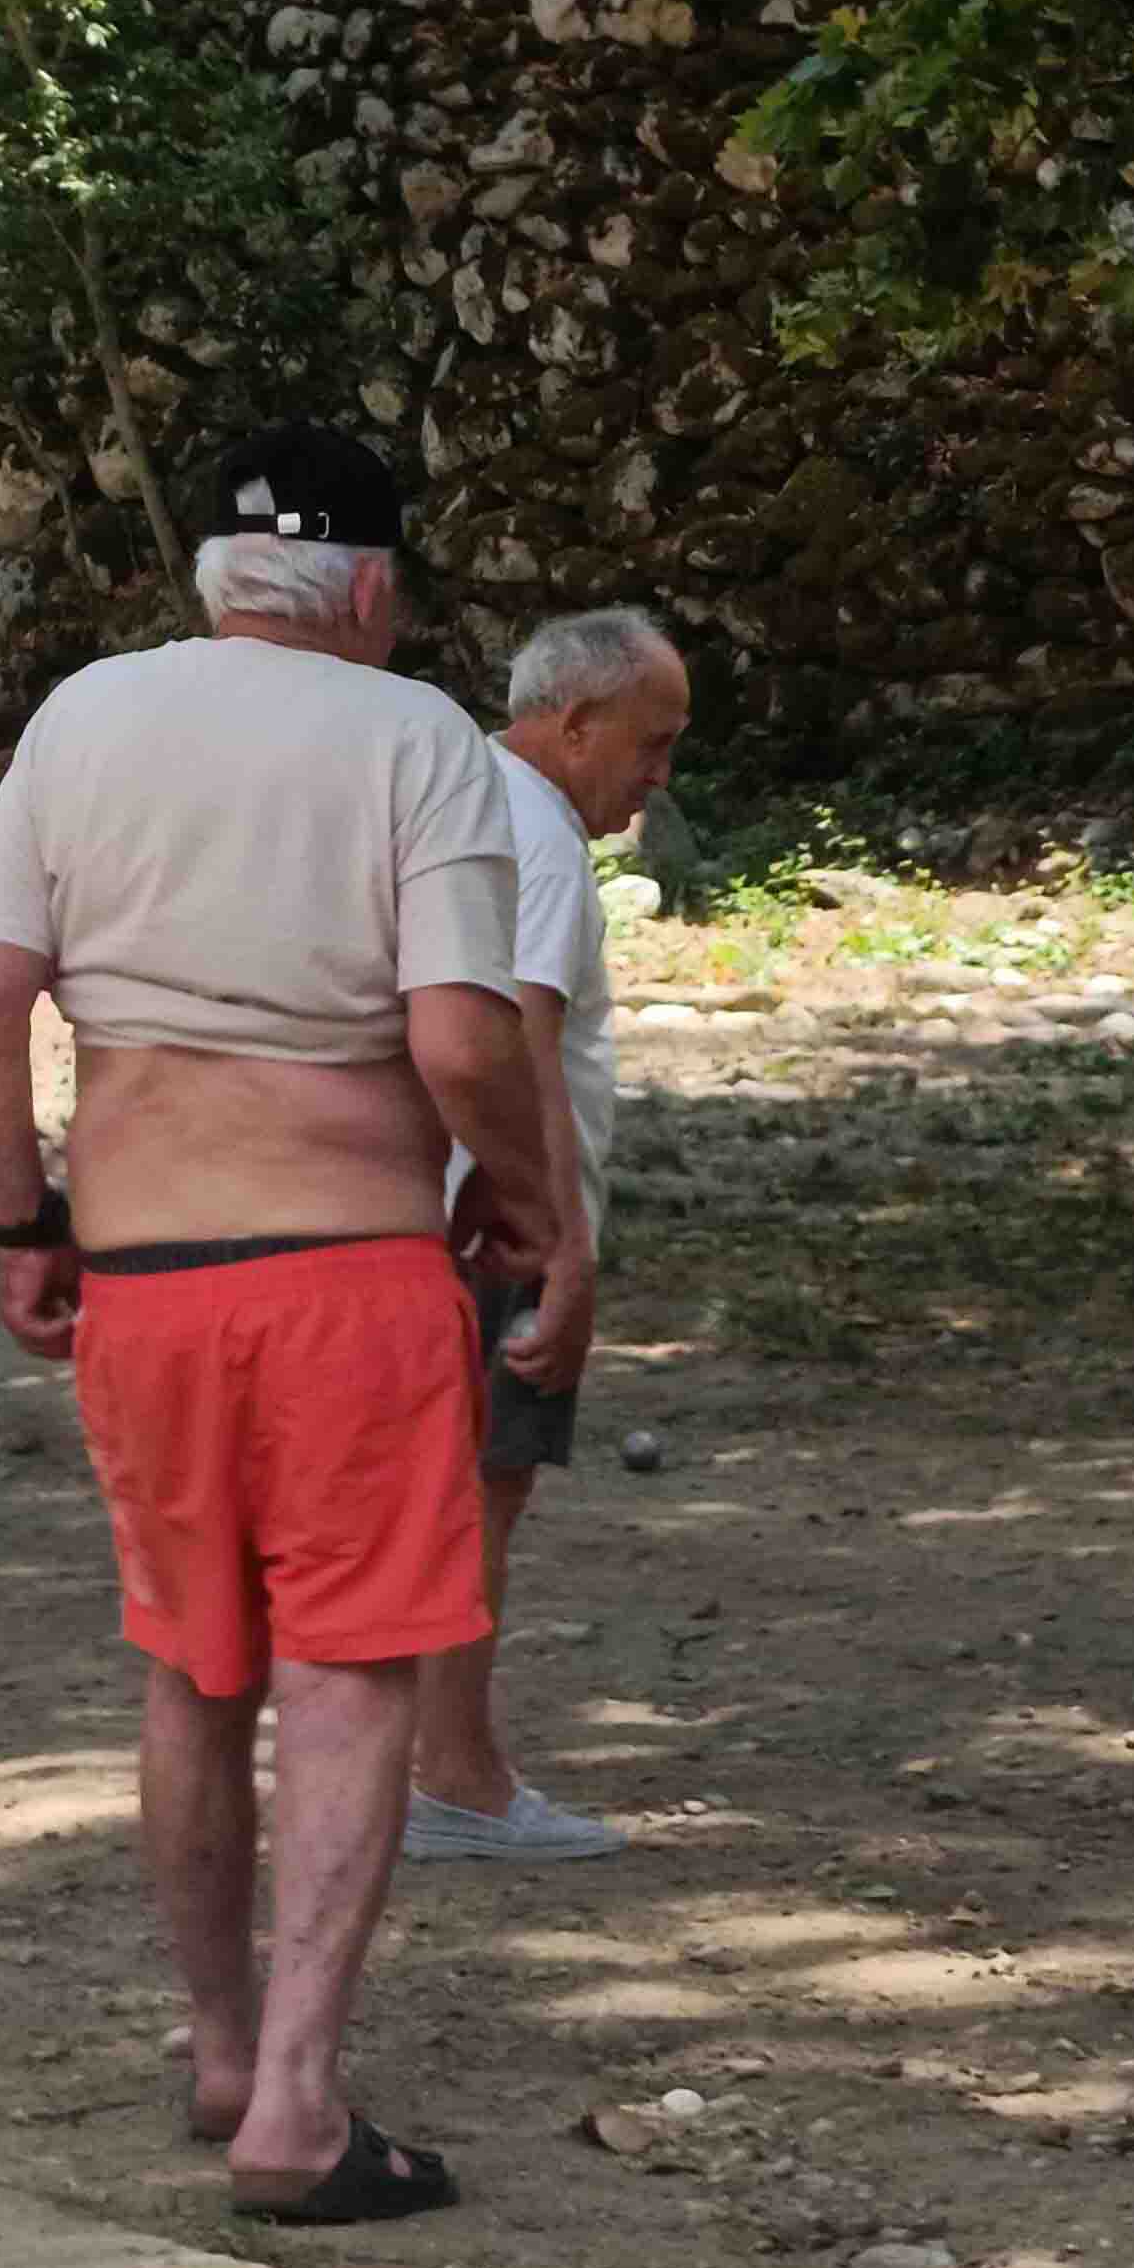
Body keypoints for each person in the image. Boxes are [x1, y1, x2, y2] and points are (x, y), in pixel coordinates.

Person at [0, 420, 585, 2225]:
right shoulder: (417, 741)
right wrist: (534, 1207)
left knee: (191, 1670)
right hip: (346, 1275)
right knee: (349, 1670)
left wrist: (21, 1221)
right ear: (370, 588)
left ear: (218, 580)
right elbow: (460, 1040)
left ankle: (218, 2046)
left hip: (146, 1280)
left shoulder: (83, 717)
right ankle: (300, 2100)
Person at [406, 605, 693, 1866]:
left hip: (423, 1206)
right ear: (574, 723)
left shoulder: (452, 789)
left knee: (437, 1492)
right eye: (652, 741)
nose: (660, 775)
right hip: (489, 1223)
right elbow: (518, 1031)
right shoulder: (533, 829)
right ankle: (455, 1781)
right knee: (483, 1490)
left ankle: (419, 1771)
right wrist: (561, 1243)